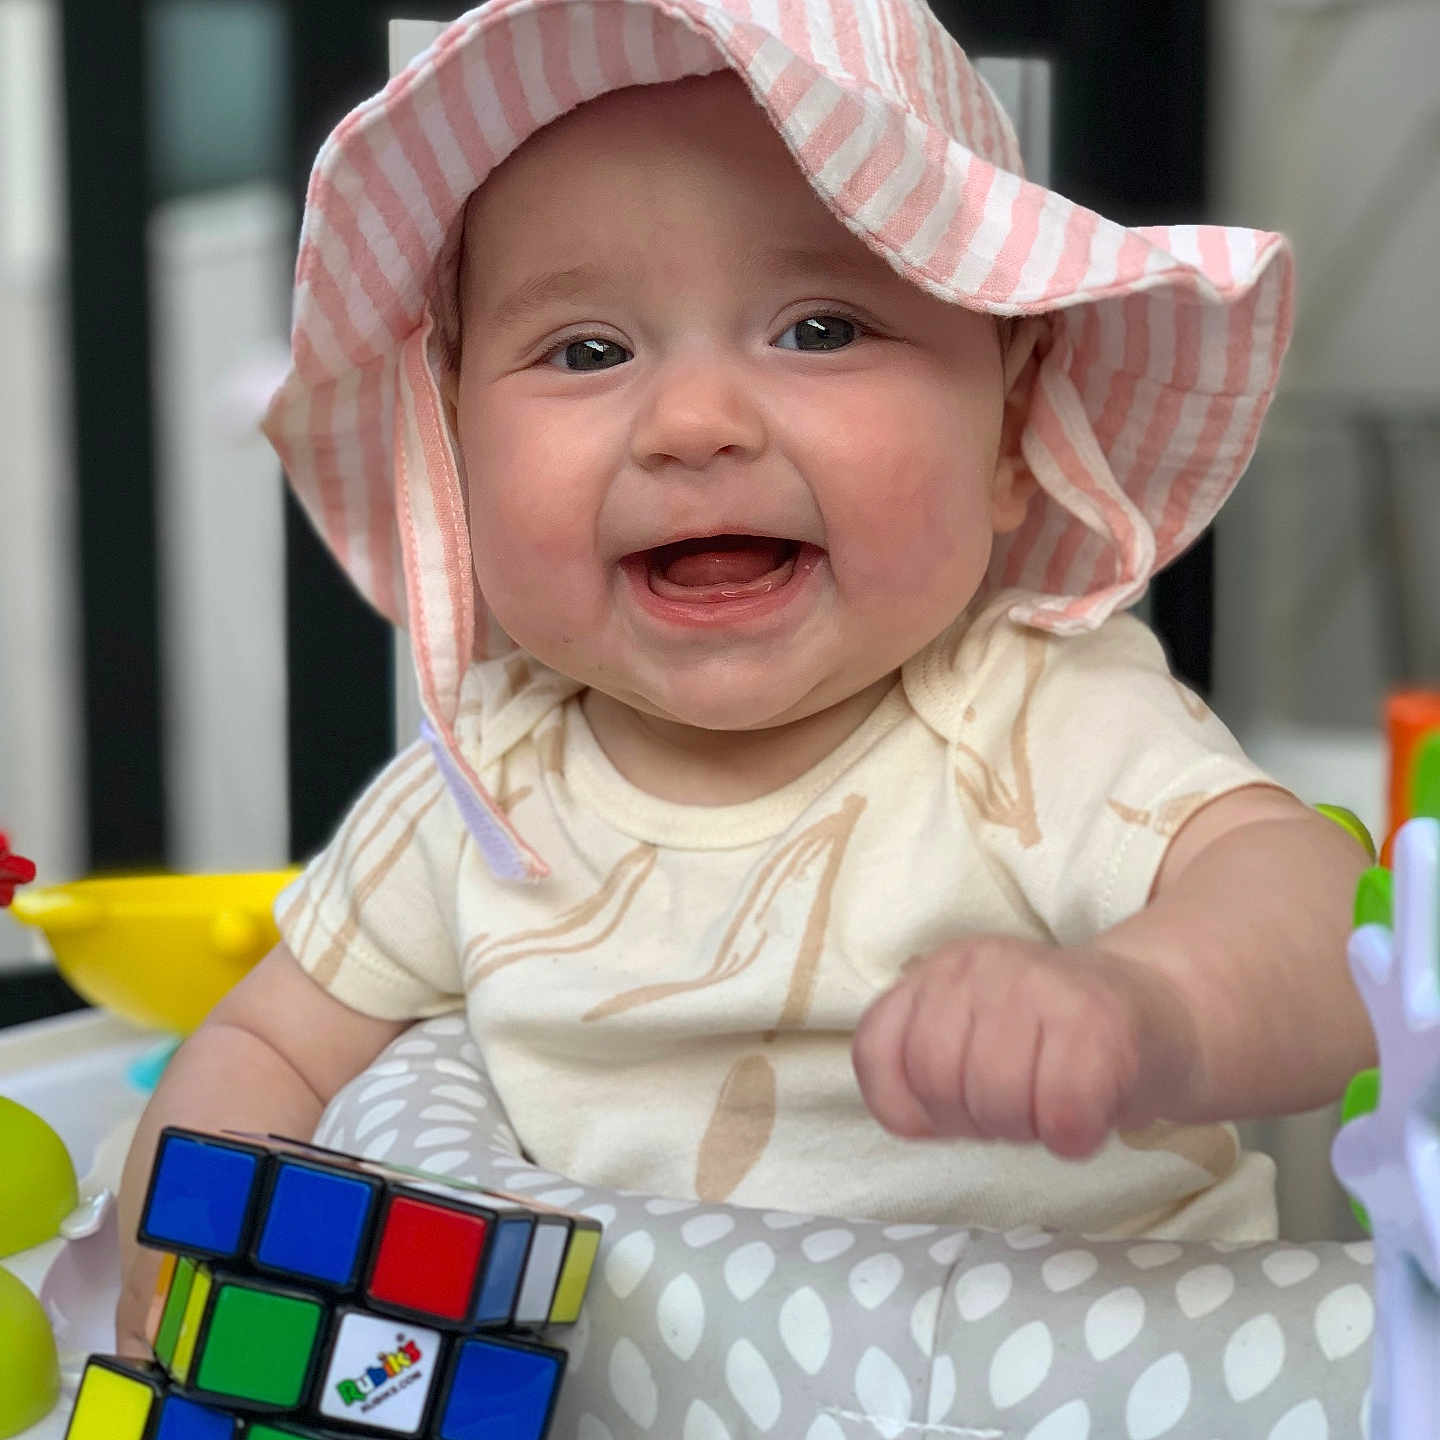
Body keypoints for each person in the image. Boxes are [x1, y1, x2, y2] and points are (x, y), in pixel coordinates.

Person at [115, 0, 1375, 1355]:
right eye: (586, 351)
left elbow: (1320, 923)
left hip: (1073, 1388)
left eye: (821, 329)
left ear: (1013, 429)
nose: (693, 424)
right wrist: (162, 1334)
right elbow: (270, 1053)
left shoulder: (1028, 716)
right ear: (457, 444)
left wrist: (1152, 1005)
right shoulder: (488, 786)